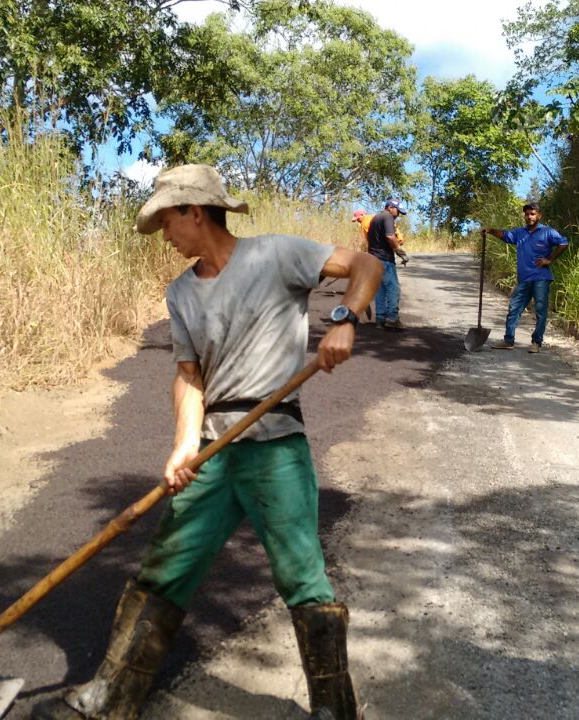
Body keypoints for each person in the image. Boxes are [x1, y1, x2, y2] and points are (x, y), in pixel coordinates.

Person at [34, 164, 382, 720]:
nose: (165, 236)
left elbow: (367, 264)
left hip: (275, 444)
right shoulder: (180, 293)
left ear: (195, 211)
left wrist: (345, 318)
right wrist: (182, 445)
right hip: (214, 448)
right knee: (166, 565)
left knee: (301, 575)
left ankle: (337, 710)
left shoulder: (276, 255)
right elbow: (190, 376)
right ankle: (110, 699)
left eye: (168, 222)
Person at [481, 203, 569, 353]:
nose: (530, 217)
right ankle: (508, 340)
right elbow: (505, 235)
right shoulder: (520, 233)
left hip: (541, 278)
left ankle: (536, 342)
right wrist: (490, 230)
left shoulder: (548, 232)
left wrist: (550, 260)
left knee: (540, 310)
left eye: (533, 214)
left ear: (539, 215)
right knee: (514, 308)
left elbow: (564, 243)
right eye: (527, 214)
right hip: (525, 279)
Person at [366, 198, 408, 330]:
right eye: (397, 211)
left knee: (380, 290)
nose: (398, 215)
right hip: (384, 260)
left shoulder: (375, 218)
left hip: (373, 259)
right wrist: (399, 251)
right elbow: (390, 237)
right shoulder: (388, 217)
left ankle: (380, 319)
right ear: (390, 207)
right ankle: (393, 319)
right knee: (393, 288)